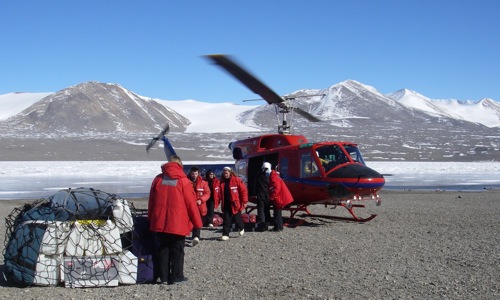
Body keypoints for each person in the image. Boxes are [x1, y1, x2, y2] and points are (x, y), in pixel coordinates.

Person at [148, 155, 202, 285]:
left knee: (163, 249)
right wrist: (197, 223)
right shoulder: (183, 181)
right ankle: (177, 277)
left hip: (160, 220)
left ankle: (164, 277)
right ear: (179, 165)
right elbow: (191, 204)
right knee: (177, 250)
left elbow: (151, 202)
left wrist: (151, 219)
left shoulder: (158, 179)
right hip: (177, 222)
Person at [219, 166, 248, 241]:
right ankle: (225, 234)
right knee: (226, 219)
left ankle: (241, 227)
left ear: (230, 172)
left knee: (237, 218)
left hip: (235, 204)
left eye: (227, 173)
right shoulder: (222, 182)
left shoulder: (236, 180)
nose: (225, 175)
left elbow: (243, 191)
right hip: (226, 203)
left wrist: (244, 201)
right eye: (224, 173)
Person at [267, 163, 294, 231]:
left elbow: (276, 189)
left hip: (279, 198)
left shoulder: (274, 178)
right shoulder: (274, 176)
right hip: (279, 197)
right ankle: (279, 226)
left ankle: (278, 227)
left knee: (277, 213)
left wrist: (271, 197)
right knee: (277, 212)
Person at [188, 166, 210, 246]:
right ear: (190, 173)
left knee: (197, 221)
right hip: (188, 206)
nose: (194, 175)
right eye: (193, 174)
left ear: (198, 174)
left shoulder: (203, 183)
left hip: (199, 206)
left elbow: (207, 193)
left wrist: (201, 199)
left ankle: (196, 237)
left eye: (196, 174)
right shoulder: (186, 182)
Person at [253, 162, 271, 232]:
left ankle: (262, 225)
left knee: (261, 209)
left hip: (260, 193)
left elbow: (255, 184)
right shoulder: (269, 175)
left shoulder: (258, 174)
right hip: (267, 194)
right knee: (266, 208)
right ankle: (268, 222)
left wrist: (254, 193)